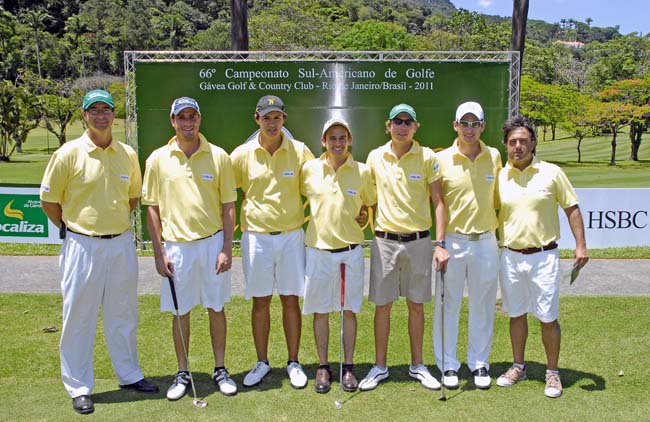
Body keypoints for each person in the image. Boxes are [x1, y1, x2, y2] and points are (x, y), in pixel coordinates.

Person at [40, 89, 158, 415]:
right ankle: (79, 386)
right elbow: (49, 201)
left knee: (123, 313)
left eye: (106, 109)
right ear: (84, 115)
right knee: (79, 316)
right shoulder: (68, 153)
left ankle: (129, 374)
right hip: (82, 243)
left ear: (114, 114)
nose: (101, 116)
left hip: (120, 242)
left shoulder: (127, 154)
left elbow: (133, 197)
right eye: (95, 110)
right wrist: (71, 227)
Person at [142, 97, 238, 400]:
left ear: (199, 119)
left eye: (192, 116)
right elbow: (152, 208)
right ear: (172, 121)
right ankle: (182, 372)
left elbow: (228, 206)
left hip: (211, 244)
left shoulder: (219, 156)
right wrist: (159, 254)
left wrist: (226, 248)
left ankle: (220, 368)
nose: (188, 122)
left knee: (216, 307)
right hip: (177, 247)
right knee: (180, 311)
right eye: (181, 117)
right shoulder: (158, 158)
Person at [495, 116, 589, 398]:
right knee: (516, 314)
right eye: (513, 142)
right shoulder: (499, 175)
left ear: (534, 143)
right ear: (506, 146)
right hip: (510, 255)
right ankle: (519, 366)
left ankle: (552, 372)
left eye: (524, 141)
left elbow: (571, 207)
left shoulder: (551, 172)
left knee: (548, 317)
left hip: (544, 255)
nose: (518, 146)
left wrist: (580, 245)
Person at [359, 103, 449, 392]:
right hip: (384, 241)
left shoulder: (427, 157)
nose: (402, 126)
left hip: (419, 242)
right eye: (397, 121)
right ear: (388, 126)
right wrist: (361, 211)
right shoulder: (375, 156)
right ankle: (380, 366)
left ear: (415, 127)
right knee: (382, 306)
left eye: (408, 121)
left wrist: (440, 243)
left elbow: (438, 202)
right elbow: (368, 197)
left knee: (416, 306)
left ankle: (418, 365)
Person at [230, 95, 315, 389]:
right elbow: (226, 193)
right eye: (266, 117)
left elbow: (319, 187)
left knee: (291, 300)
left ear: (284, 119)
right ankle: (262, 362)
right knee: (261, 301)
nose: (271, 123)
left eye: (276, 117)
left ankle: (293, 361)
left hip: (292, 235)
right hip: (256, 238)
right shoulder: (241, 155)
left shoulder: (300, 151)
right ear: (257, 119)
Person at [299, 118, 376, 393]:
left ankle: (349, 366)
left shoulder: (363, 171)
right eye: (332, 138)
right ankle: (323, 366)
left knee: (348, 311)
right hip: (318, 251)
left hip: (350, 253)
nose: (338, 143)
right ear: (323, 142)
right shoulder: (309, 170)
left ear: (350, 140)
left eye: (342, 137)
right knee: (320, 311)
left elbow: (369, 202)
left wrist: (364, 215)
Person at [433, 101, 502, 390]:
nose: (470, 129)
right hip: (453, 241)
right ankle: (448, 364)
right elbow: (437, 203)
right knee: (447, 306)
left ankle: (479, 363)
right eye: (465, 123)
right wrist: (439, 243)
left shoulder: (495, 156)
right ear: (455, 125)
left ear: (483, 126)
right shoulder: (441, 159)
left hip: (486, 240)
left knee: (483, 305)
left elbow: (501, 199)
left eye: (475, 123)